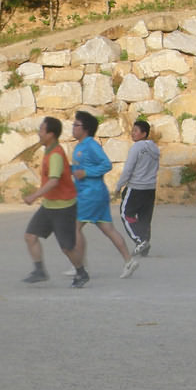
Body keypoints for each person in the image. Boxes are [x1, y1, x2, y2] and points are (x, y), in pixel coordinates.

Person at [70, 110, 139, 279]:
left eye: (76, 125)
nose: (73, 128)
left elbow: (106, 165)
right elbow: (79, 168)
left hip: (90, 194)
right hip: (93, 193)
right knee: (108, 228)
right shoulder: (80, 146)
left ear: (85, 129)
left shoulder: (91, 145)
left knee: (74, 227)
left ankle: (80, 265)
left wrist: (86, 172)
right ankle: (129, 261)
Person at [21, 116, 89, 288]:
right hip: (49, 205)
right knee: (30, 236)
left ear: (50, 134)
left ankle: (81, 272)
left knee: (67, 248)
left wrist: (33, 196)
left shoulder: (56, 154)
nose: (39, 133)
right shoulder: (48, 150)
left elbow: (54, 181)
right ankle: (39, 271)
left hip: (63, 207)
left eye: (42, 130)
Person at [114, 119, 160, 256]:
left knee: (125, 213)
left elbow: (128, 169)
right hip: (150, 189)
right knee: (145, 218)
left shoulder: (137, 147)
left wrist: (118, 186)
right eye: (132, 130)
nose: (132, 133)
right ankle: (144, 245)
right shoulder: (155, 148)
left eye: (136, 131)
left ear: (144, 134)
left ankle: (140, 240)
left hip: (135, 188)